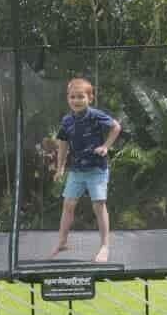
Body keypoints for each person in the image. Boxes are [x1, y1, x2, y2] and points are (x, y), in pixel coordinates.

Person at [51, 77, 121, 262]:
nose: (76, 100)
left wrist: (106, 146)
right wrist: (60, 168)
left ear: (90, 98)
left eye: (81, 97)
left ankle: (105, 246)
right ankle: (62, 241)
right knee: (68, 204)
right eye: (73, 97)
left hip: (96, 169)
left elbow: (116, 127)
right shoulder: (66, 121)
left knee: (98, 205)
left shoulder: (96, 115)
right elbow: (63, 145)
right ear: (68, 99)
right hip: (76, 171)